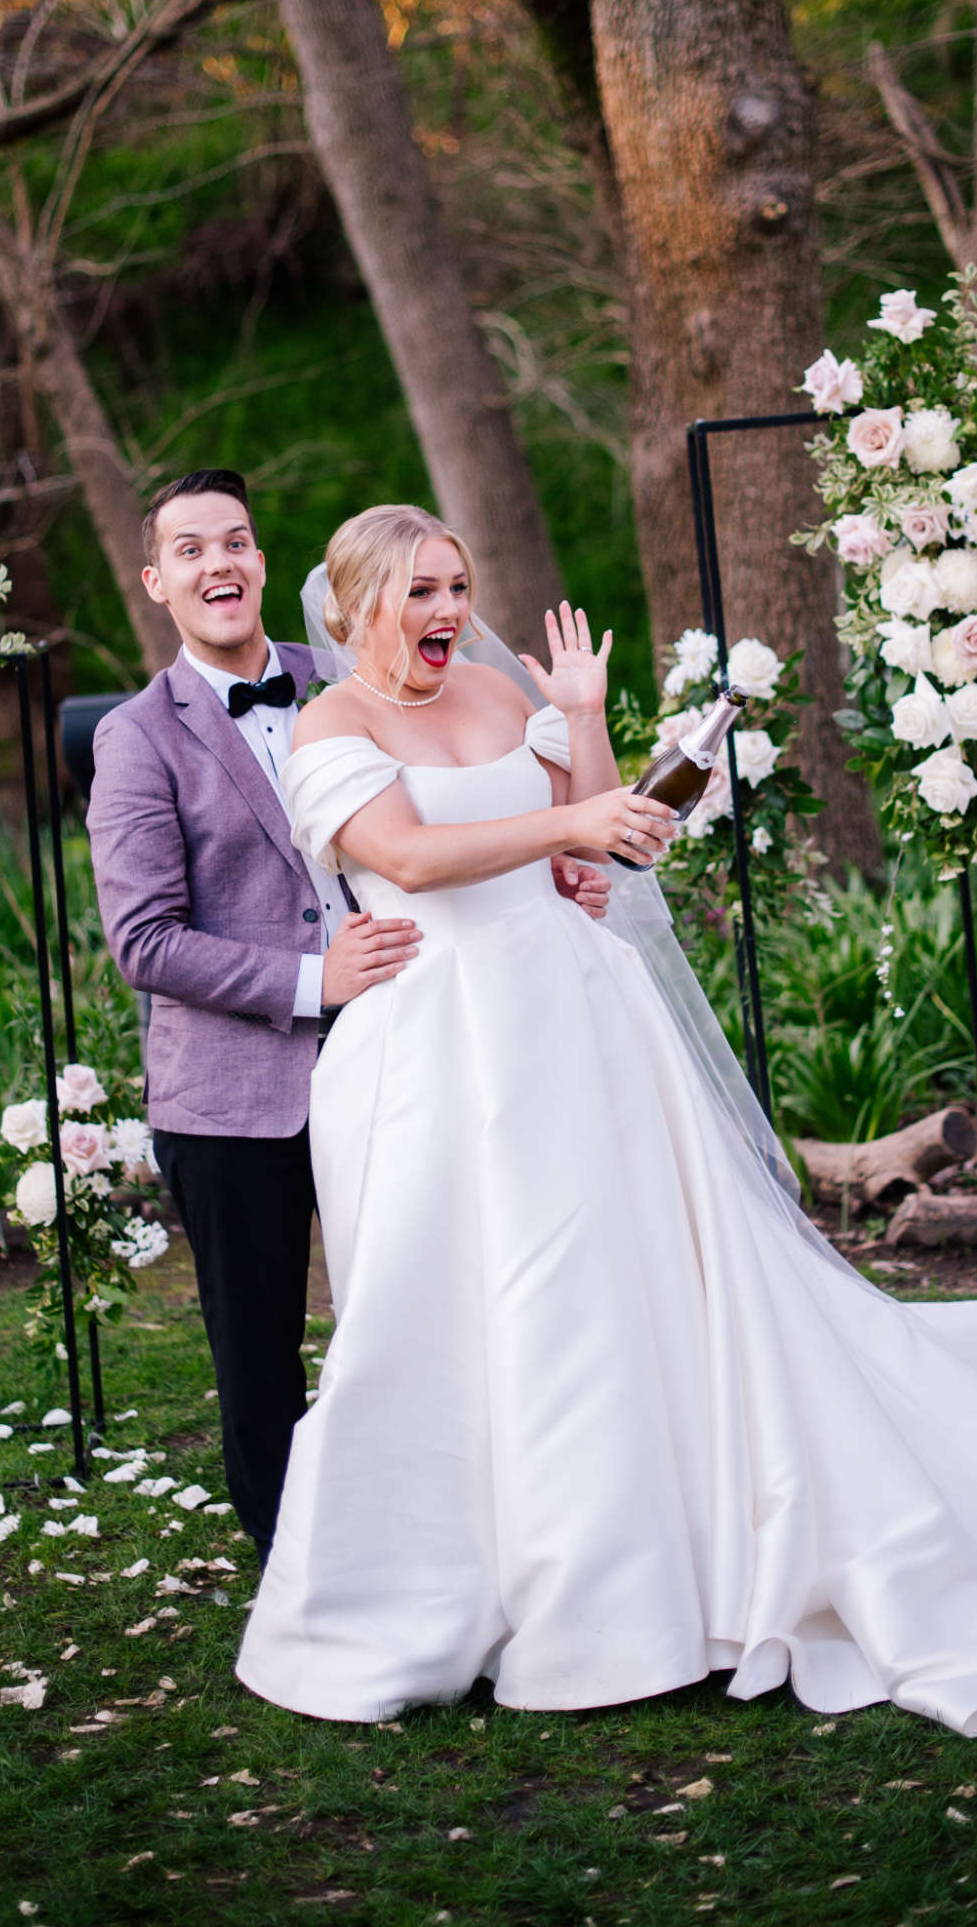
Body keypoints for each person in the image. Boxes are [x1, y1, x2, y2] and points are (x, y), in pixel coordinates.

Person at [236, 502, 977, 1737]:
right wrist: (567, 828)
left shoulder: (498, 700)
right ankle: (467, 1575)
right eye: (421, 592)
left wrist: (587, 728)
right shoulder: (331, 724)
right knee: (452, 1300)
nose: (446, 612)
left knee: (610, 1284)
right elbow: (412, 858)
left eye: (457, 587)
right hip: (438, 1041)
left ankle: (656, 1557)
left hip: (574, 1018)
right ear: (360, 599)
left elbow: (617, 838)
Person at [85, 470, 607, 1563]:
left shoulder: (377, 673)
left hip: (430, 1047)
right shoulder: (139, 738)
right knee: (262, 1354)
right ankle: (302, 1573)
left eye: (235, 540)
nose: (218, 563)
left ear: (267, 563)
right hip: (241, 1091)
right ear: (155, 581)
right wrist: (312, 980)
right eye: (189, 550)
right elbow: (144, 941)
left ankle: (466, 1530)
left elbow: (498, 808)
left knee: (437, 1304)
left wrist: (558, 869)